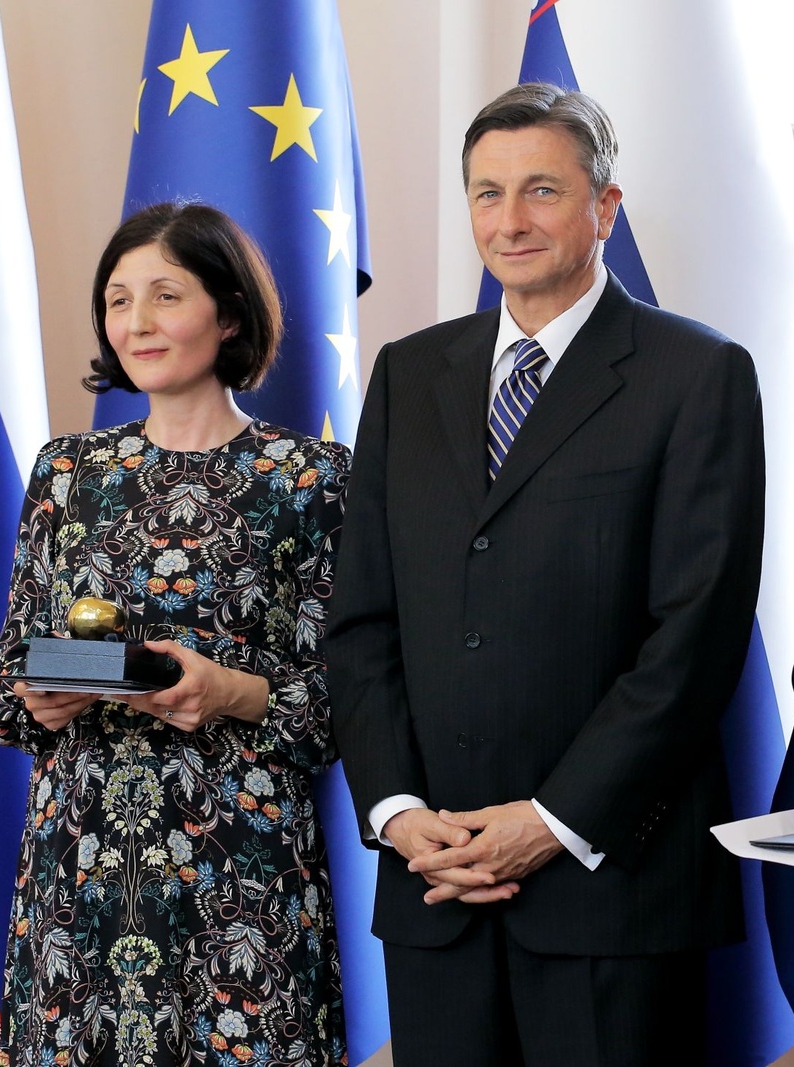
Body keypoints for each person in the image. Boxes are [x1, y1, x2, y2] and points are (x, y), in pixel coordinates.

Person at [324, 83, 764, 1066]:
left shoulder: (697, 375)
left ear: (604, 207)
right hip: (434, 885)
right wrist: (397, 811)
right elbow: (361, 622)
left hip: (614, 886)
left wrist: (554, 820)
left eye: (539, 191)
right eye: (485, 194)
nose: (508, 221)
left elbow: (693, 641)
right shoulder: (408, 372)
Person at [0, 202, 350, 1066]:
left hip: (242, 875)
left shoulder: (311, 480)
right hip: (77, 877)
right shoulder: (66, 473)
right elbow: (5, 693)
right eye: (117, 300)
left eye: (164, 295)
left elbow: (351, 704)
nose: (136, 323)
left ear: (229, 315)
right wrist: (40, 697)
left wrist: (230, 690)